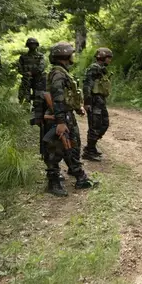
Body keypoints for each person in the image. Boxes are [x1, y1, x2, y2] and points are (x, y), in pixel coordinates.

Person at [43, 41, 96, 196]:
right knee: (56, 149)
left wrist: (76, 107)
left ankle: (79, 175)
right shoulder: (58, 74)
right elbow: (57, 98)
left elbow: (67, 96)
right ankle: (53, 181)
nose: (73, 56)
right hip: (59, 116)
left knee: (73, 146)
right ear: (64, 55)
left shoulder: (62, 72)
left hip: (66, 114)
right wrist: (60, 122)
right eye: (71, 54)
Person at [82, 47, 113, 161]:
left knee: (104, 123)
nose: (110, 60)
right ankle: (89, 151)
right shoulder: (94, 68)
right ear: (103, 57)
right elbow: (87, 85)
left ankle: (91, 146)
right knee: (94, 126)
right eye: (108, 58)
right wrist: (87, 102)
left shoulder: (101, 69)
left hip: (100, 101)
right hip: (94, 101)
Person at [17, 37, 46, 104]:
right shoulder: (23, 57)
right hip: (26, 79)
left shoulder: (40, 56)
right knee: (24, 96)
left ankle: (37, 110)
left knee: (38, 97)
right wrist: (25, 73)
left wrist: (32, 73)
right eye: (30, 44)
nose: (32, 46)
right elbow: (19, 68)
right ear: (27, 45)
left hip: (38, 79)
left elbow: (41, 67)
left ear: (37, 45)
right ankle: (25, 109)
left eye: (34, 44)